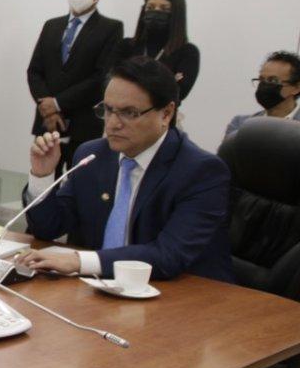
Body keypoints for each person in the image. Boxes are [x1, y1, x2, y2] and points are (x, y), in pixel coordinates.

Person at [16, 56, 234, 282]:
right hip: (106, 290)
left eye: (129, 113)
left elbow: (168, 256)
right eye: (108, 110)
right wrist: (42, 175)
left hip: (190, 298)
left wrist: (79, 261)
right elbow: (48, 228)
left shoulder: (201, 171)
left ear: (166, 113)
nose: (112, 123)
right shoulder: (93, 156)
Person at [27, 0, 124, 175]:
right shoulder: (51, 25)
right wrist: (47, 105)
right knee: (42, 181)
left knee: (78, 183)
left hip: (83, 123)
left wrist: (58, 103)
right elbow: (34, 70)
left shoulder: (111, 28)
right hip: (47, 122)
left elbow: (101, 77)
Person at [114, 0, 200, 101]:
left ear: (176, 13)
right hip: (121, 114)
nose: (156, 12)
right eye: (150, 7)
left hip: (160, 118)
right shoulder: (126, 46)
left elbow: (178, 93)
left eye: (164, 9)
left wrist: (131, 79)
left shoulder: (188, 52)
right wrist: (164, 81)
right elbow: (111, 83)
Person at [225, 50, 300, 137]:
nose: (264, 85)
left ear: (296, 88)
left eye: (273, 80)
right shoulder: (241, 124)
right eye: (261, 79)